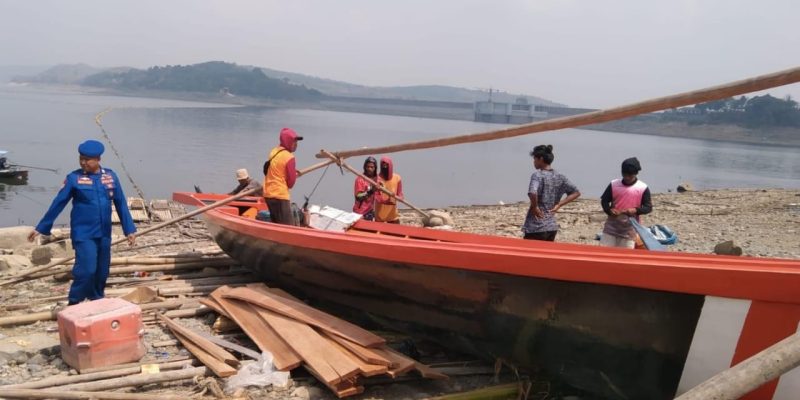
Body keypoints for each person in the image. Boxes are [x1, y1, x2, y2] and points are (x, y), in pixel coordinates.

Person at [27, 139, 137, 305]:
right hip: (83, 233)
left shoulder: (110, 177)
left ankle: (97, 299)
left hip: (104, 233)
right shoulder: (74, 179)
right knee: (86, 270)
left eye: (87, 159)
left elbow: (120, 203)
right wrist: (41, 227)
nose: (83, 162)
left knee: (101, 271)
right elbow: (58, 203)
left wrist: (129, 229)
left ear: (98, 159)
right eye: (81, 159)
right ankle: (74, 301)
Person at [522, 145, 581, 241]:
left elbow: (533, 192)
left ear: (540, 159)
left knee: (531, 255)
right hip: (551, 227)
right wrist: (559, 204)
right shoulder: (560, 176)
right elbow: (576, 192)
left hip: (536, 226)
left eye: (535, 159)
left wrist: (535, 207)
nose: (534, 162)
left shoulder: (537, 175)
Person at [599, 157, 652, 248]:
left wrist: (636, 210)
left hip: (630, 230)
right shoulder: (614, 184)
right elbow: (604, 201)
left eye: (630, 175)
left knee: (625, 257)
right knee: (604, 254)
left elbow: (648, 207)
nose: (627, 177)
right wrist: (609, 211)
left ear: (635, 174)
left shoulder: (642, 187)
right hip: (611, 228)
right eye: (624, 174)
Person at [263, 127, 303, 225]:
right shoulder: (289, 157)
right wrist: (293, 174)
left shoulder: (274, 151)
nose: (296, 145)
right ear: (288, 141)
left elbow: (276, 168)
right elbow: (290, 183)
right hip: (279, 195)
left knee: (276, 223)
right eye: (294, 142)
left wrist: (292, 171)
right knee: (287, 226)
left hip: (268, 193)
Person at [375, 156, 403, 223]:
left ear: (390, 166)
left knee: (396, 232)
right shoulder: (376, 179)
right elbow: (377, 197)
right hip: (380, 216)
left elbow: (400, 193)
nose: (385, 167)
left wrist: (400, 198)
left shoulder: (397, 178)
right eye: (383, 165)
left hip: (393, 215)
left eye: (387, 165)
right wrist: (386, 201)